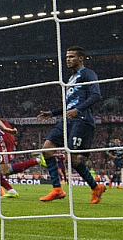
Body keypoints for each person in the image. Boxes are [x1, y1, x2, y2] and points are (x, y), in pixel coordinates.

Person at [37, 46, 105, 203]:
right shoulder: (72, 78)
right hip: (67, 120)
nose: (68, 59)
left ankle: (95, 187)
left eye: (72, 56)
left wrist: (77, 110)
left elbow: (96, 95)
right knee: (46, 149)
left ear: (81, 58)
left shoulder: (88, 74)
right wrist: (53, 113)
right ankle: (57, 189)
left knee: (73, 160)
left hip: (81, 121)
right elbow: (69, 104)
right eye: (67, 56)